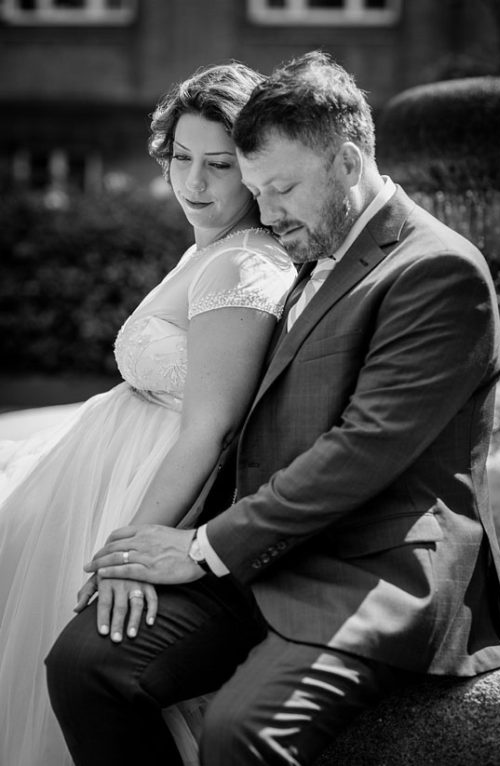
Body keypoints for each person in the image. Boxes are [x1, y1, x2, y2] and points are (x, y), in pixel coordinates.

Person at [46, 51, 500, 766]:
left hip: (370, 574)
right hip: (263, 559)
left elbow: (361, 449)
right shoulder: (307, 245)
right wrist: (154, 541)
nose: (266, 214)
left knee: (241, 733)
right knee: (84, 664)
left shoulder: (437, 270)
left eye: (282, 189)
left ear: (349, 163)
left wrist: (197, 548)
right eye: (257, 190)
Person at [0, 62, 295, 766]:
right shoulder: (211, 249)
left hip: (149, 492)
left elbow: (213, 428)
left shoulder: (243, 266)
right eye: (181, 159)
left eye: (219, 166)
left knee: (88, 670)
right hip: (109, 475)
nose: (194, 185)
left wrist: (139, 547)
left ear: (255, 167)